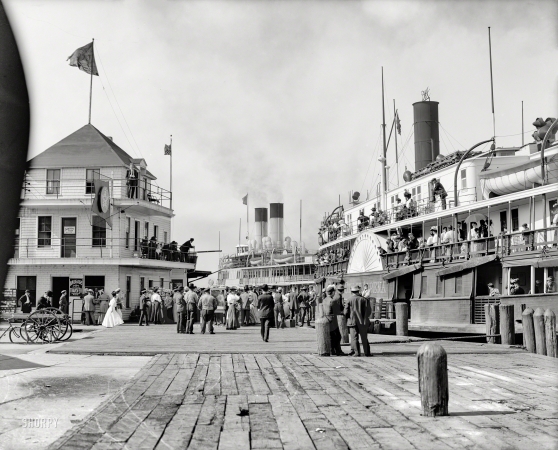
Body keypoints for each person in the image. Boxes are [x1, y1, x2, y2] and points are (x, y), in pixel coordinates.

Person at [344, 285, 372, 357]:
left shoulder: (349, 300)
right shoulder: (364, 300)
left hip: (352, 321)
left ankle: (357, 353)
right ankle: (367, 353)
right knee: (364, 337)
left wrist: (348, 318)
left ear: (351, 292)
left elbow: (345, 312)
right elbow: (369, 311)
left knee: (354, 337)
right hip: (363, 321)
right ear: (358, 291)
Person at [322, 285, 345, 356]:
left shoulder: (325, 300)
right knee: (338, 336)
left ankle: (332, 350)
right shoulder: (332, 301)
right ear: (332, 292)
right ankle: (338, 351)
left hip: (326, 319)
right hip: (332, 320)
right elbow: (337, 311)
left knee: (331, 336)